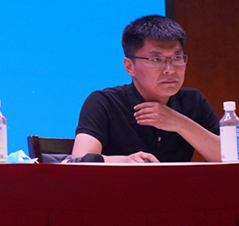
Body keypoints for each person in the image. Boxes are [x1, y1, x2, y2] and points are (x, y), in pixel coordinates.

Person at [72, 15, 220, 163]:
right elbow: (79, 160)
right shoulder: (104, 102)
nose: (170, 70)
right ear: (129, 67)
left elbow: (230, 159)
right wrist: (125, 162)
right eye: (156, 60)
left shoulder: (193, 101)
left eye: (177, 58)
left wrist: (180, 123)